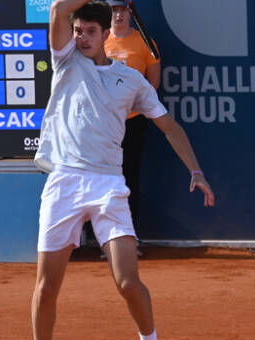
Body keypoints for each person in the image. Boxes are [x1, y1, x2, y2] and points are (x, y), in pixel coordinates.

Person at [22, 0, 214, 340]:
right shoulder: (66, 62)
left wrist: (196, 169)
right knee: (46, 287)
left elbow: (169, 126)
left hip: (108, 183)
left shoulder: (131, 81)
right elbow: (57, 8)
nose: (81, 37)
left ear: (105, 34)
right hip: (64, 183)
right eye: (78, 31)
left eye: (90, 31)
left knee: (127, 282)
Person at [104, 0, 160, 253]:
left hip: (134, 123)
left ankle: (129, 239)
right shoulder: (99, 42)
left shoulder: (145, 43)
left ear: (130, 13)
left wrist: (130, 105)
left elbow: (153, 86)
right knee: (104, 179)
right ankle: (105, 240)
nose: (118, 15)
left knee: (128, 179)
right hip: (103, 124)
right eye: (114, 10)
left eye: (122, 10)